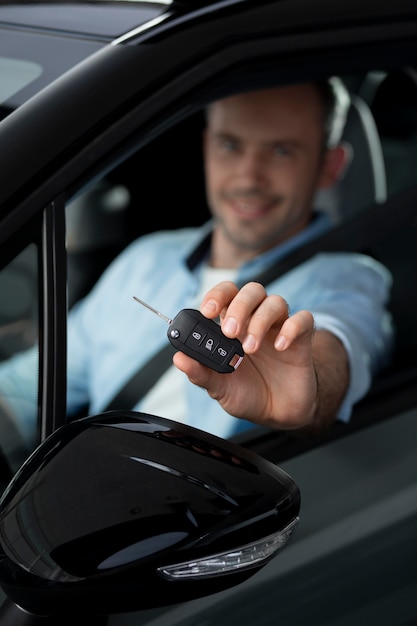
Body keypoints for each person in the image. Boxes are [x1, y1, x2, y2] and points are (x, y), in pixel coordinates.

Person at [0, 78, 393, 453]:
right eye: (230, 145)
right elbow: (27, 387)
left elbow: (338, 346)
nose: (248, 177)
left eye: (281, 151)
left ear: (331, 165)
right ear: (207, 147)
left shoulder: (350, 278)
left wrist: (309, 386)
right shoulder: (146, 258)